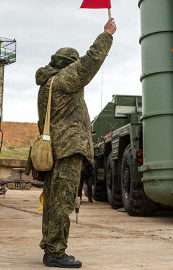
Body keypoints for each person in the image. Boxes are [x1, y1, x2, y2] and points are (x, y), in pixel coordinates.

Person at [35, 18, 116, 268]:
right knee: (62, 202)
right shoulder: (63, 81)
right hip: (68, 149)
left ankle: (50, 246)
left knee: (52, 200)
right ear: (68, 66)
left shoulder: (47, 84)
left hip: (56, 150)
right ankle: (56, 253)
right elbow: (89, 63)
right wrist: (106, 35)